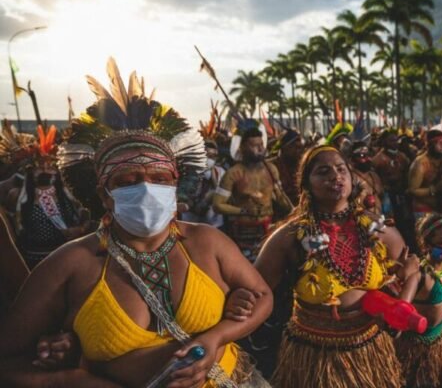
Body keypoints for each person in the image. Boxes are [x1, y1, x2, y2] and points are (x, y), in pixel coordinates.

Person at [0, 58, 273, 387]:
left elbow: (263, 296)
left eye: (159, 179)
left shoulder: (208, 243)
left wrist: (216, 338)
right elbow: (9, 362)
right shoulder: (70, 265)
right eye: (129, 180)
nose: (147, 188)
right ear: (104, 194)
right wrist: (69, 378)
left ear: (175, 185)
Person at [255, 145, 419, 388]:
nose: (336, 176)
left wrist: (401, 303)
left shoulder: (377, 227)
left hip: (369, 348)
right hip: (312, 353)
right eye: (323, 171)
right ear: (306, 184)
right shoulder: (290, 236)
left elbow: (411, 268)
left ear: (351, 179)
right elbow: (257, 288)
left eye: (341, 169)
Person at [8, 125, 89, 268]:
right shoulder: (17, 196)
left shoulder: (70, 196)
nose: (45, 169)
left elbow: (89, 218)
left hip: (65, 258)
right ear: (31, 169)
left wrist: (81, 229)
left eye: (51, 165)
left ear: (57, 169)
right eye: (40, 165)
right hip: (32, 261)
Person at [395, 213, 442, 388]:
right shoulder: (419, 275)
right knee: (407, 382)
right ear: (426, 245)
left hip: (439, 338)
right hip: (414, 343)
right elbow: (401, 309)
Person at [213, 125, 290, 261]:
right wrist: (244, 211)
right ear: (242, 148)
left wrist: (293, 211)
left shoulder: (271, 169)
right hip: (242, 234)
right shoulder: (233, 174)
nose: (260, 149)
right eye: (254, 145)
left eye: (261, 144)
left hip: (267, 230)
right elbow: (218, 205)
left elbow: (280, 198)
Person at [272, 129, 305, 207]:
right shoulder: (272, 167)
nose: (300, 151)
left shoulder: (303, 165)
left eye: (300, 148)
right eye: (296, 147)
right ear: (285, 148)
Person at [349, 141, 384, 214]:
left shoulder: (374, 176)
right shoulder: (349, 178)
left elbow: (381, 196)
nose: (367, 159)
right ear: (353, 158)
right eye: (362, 156)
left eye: (369, 155)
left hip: (379, 219)